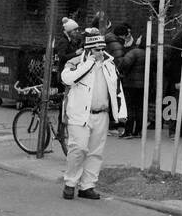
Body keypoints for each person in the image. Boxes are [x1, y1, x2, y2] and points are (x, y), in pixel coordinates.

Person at [60, 29, 127, 200]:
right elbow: (68, 79)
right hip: (79, 114)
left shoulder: (109, 65)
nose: (100, 52)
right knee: (79, 148)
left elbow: (117, 90)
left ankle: (87, 186)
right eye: (96, 49)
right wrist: (89, 63)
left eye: (102, 48)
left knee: (95, 152)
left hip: (101, 114)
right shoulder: (75, 62)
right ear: (89, 49)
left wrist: (121, 115)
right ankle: (70, 183)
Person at [115, 24, 145, 138]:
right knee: (140, 107)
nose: (137, 39)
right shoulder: (148, 54)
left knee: (129, 107)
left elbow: (124, 64)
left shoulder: (134, 52)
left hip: (131, 83)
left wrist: (122, 73)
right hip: (143, 85)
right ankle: (138, 131)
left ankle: (128, 131)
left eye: (140, 38)